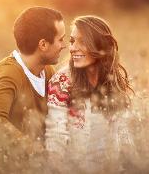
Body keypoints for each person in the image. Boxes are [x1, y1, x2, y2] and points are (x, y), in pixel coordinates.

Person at [0, 7, 66, 172]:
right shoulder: (9, 73)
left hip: (26, 165)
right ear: (43, 44)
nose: (64, 46)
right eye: (61, 40)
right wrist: (37, 151)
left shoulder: (48, 71)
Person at [45, 15, 138, 173]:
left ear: (100, 46)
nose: (73, 48)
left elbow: (124, 137)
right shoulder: (62, 81)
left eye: (82, 41)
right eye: (72, 41)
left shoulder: (113, 81)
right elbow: (55, 139)